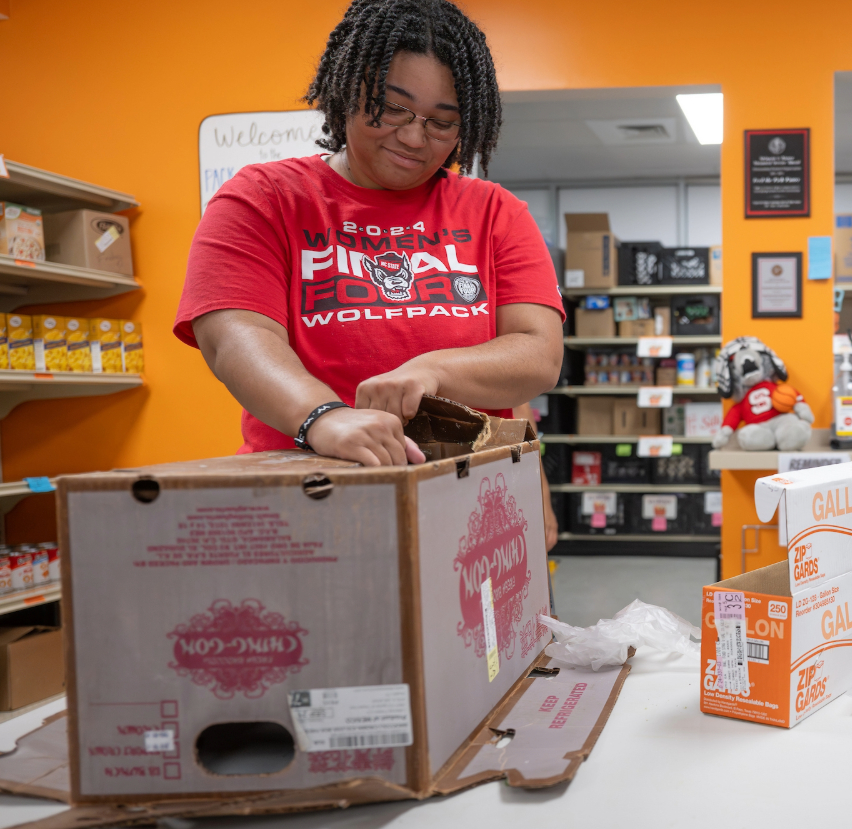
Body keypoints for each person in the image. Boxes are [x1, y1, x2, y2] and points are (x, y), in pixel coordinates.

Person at [175, 0, 564, 474]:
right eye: (393, 108)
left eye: (441, 122)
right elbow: (235, 337)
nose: (415, 139)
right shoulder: (263, 198)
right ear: (348, 89)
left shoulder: (495, 211)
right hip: (311, 484)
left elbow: (537, 351)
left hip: (468, 488)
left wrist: (434, 372)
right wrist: (321, 416)